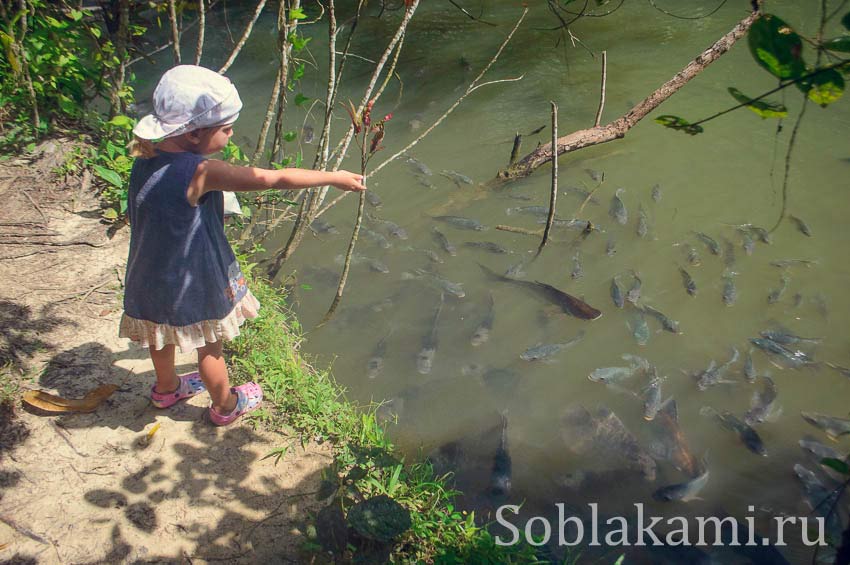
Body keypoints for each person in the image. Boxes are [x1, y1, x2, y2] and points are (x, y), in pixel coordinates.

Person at [119, 65, 365, 426]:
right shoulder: (201, 172)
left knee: (160, 334)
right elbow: (272, 178)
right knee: (210, 346)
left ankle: (166, 388)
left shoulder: (145, 156)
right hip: (193, 282)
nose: (231, 135)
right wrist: (335, 177)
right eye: (226, 129)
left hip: (148, 273)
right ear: (193, 135)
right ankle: (225, 405)